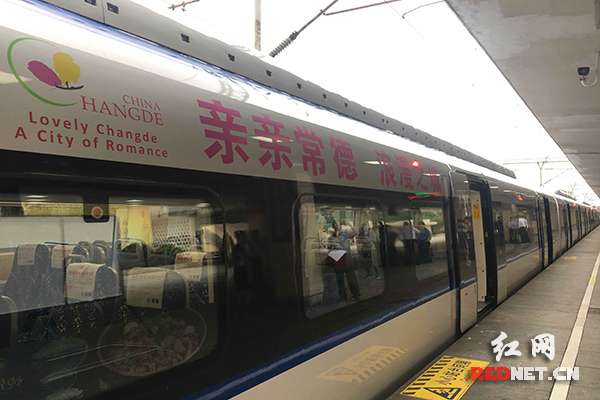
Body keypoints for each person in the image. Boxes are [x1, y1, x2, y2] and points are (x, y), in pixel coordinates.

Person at [327, 221, 361, 301]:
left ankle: (355, 294)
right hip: (337, 257)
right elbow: (329, 248)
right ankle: (342, 295)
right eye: (334, 224)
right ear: (333, 227)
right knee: (339, 277)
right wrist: (332, 250)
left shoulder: (345, 235)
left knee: (351, 276)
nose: (336, 226)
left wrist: (349, 225)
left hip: (346, 256)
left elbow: (356, 232)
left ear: (341, 226)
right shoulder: (331, 237)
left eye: (337, 224)